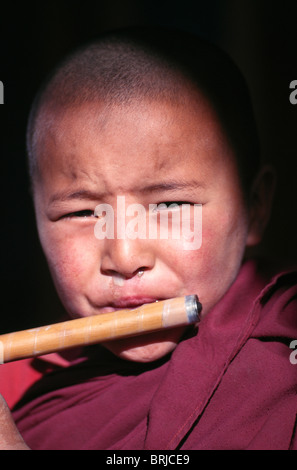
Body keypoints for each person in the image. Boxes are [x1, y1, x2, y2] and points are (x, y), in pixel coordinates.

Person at [0, 26, 296, 450]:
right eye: (82, 212)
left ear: (256, 207)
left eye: (170, 206)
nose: (124, 255)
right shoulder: (27, 383)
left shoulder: (282, 372)